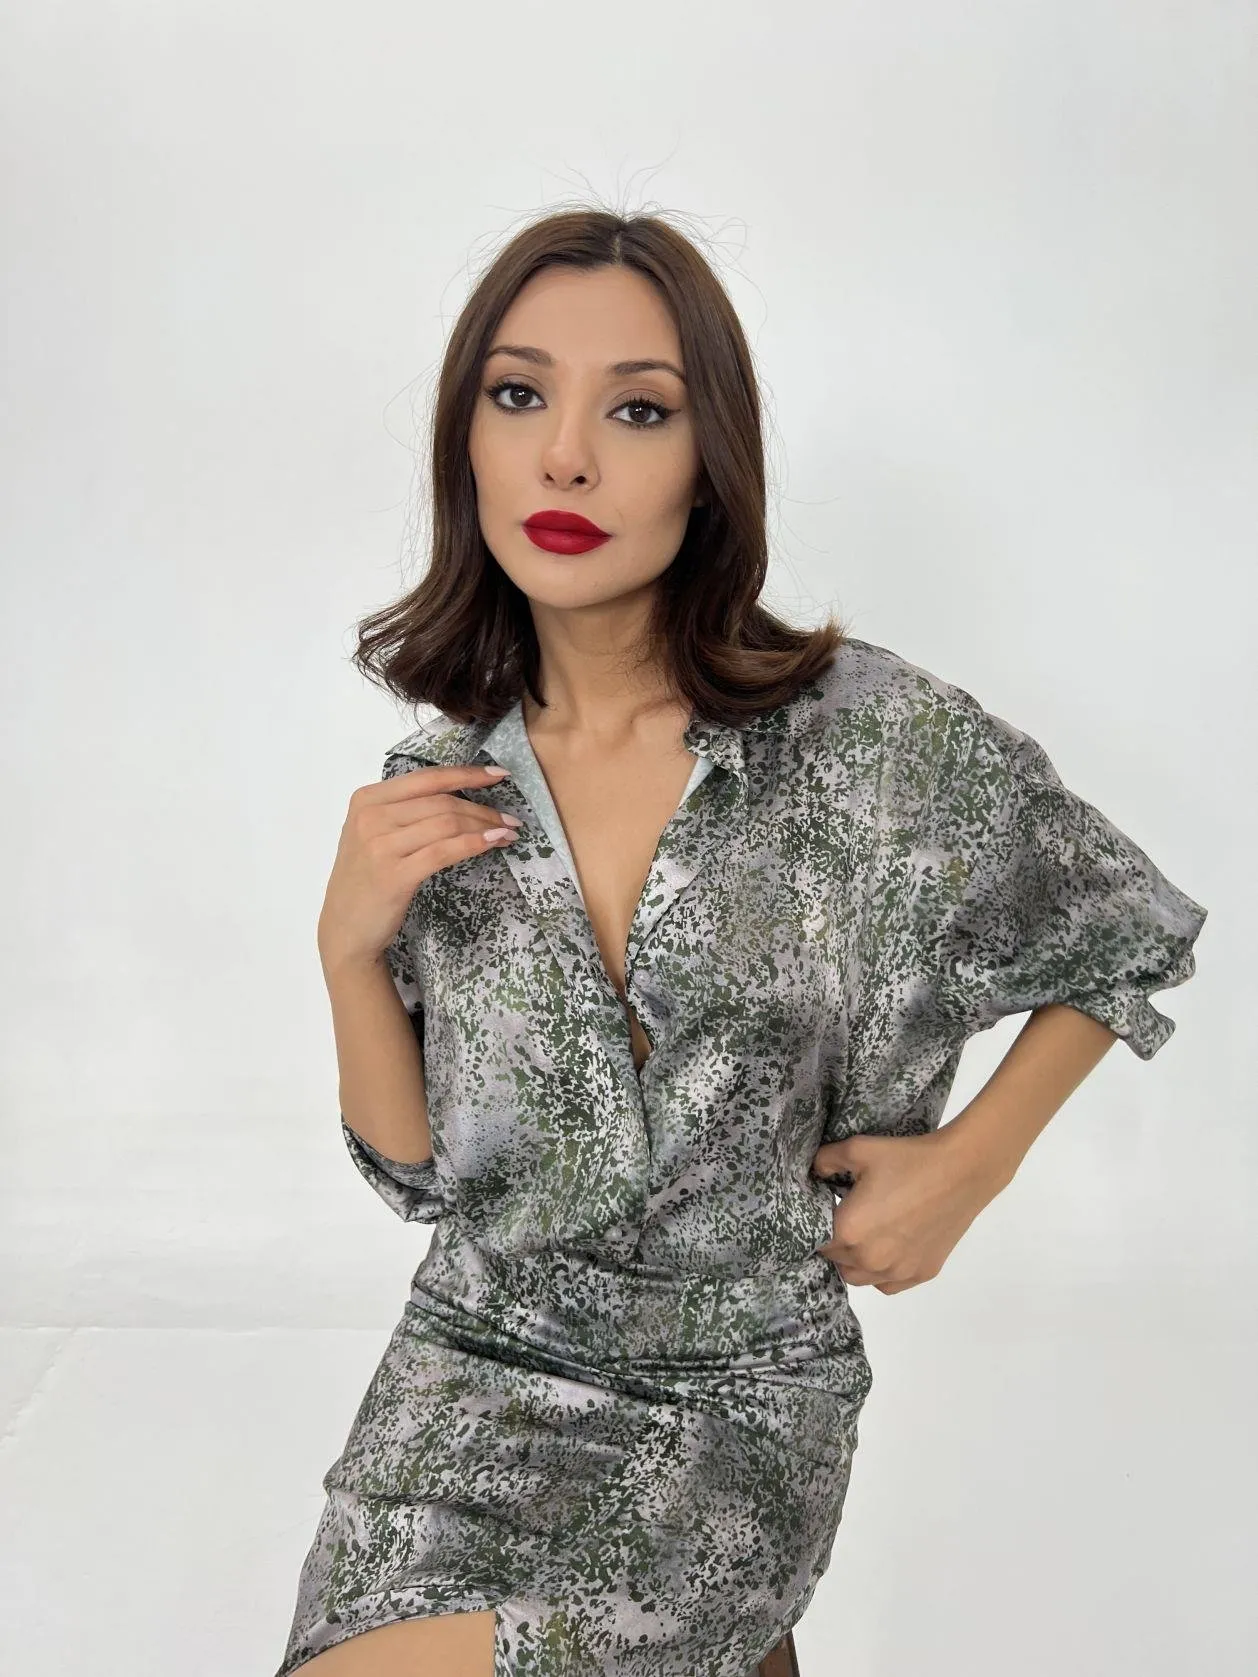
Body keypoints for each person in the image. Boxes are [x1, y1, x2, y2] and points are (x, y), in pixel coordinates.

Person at [274, 208, 1208, 1677]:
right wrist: (343, 953)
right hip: (469, 1370)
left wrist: (972, 1164)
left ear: (710, 465)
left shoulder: (865, 739)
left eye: (637, 410)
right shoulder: (438, 798)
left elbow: (1121, 935)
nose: (565, 456)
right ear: (466, 442)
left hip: (738, 1388)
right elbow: (419, 1179)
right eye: (518, 395)